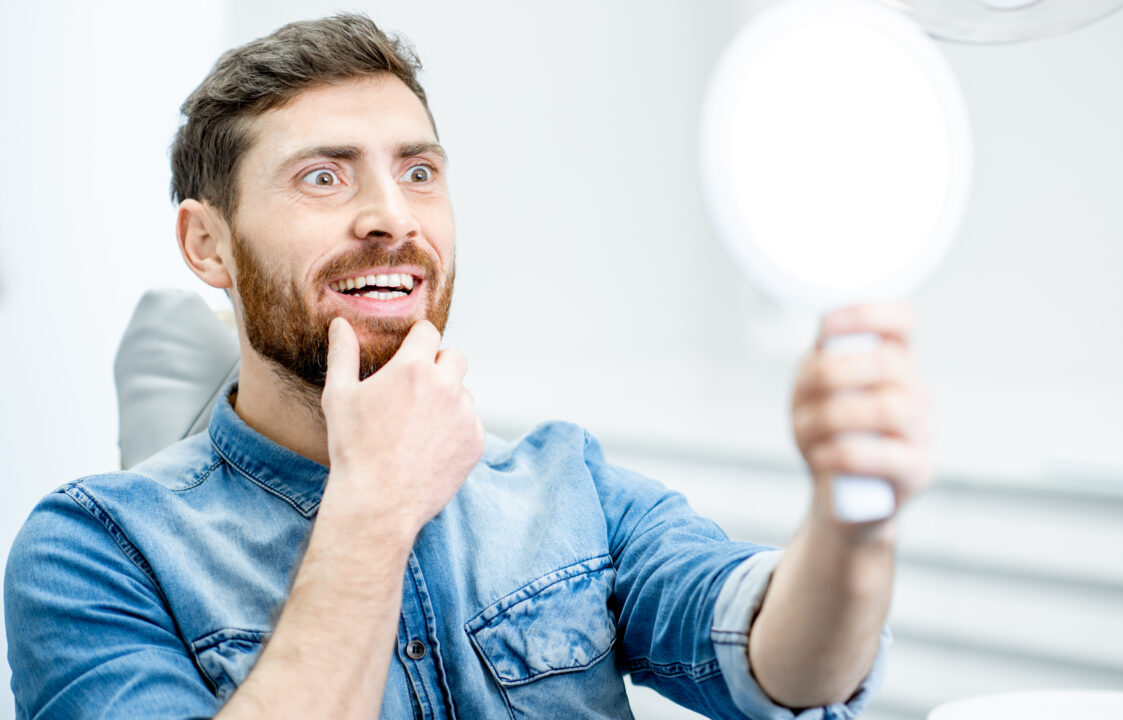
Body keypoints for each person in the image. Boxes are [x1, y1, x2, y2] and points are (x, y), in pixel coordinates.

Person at [5, 14, 930, 720]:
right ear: (207, 245)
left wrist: (854, 521)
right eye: (323, 177)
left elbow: (781, 663)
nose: (390, 217)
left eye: (418, 171)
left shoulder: (569, 486)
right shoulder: (91, 553)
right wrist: (374, 505)